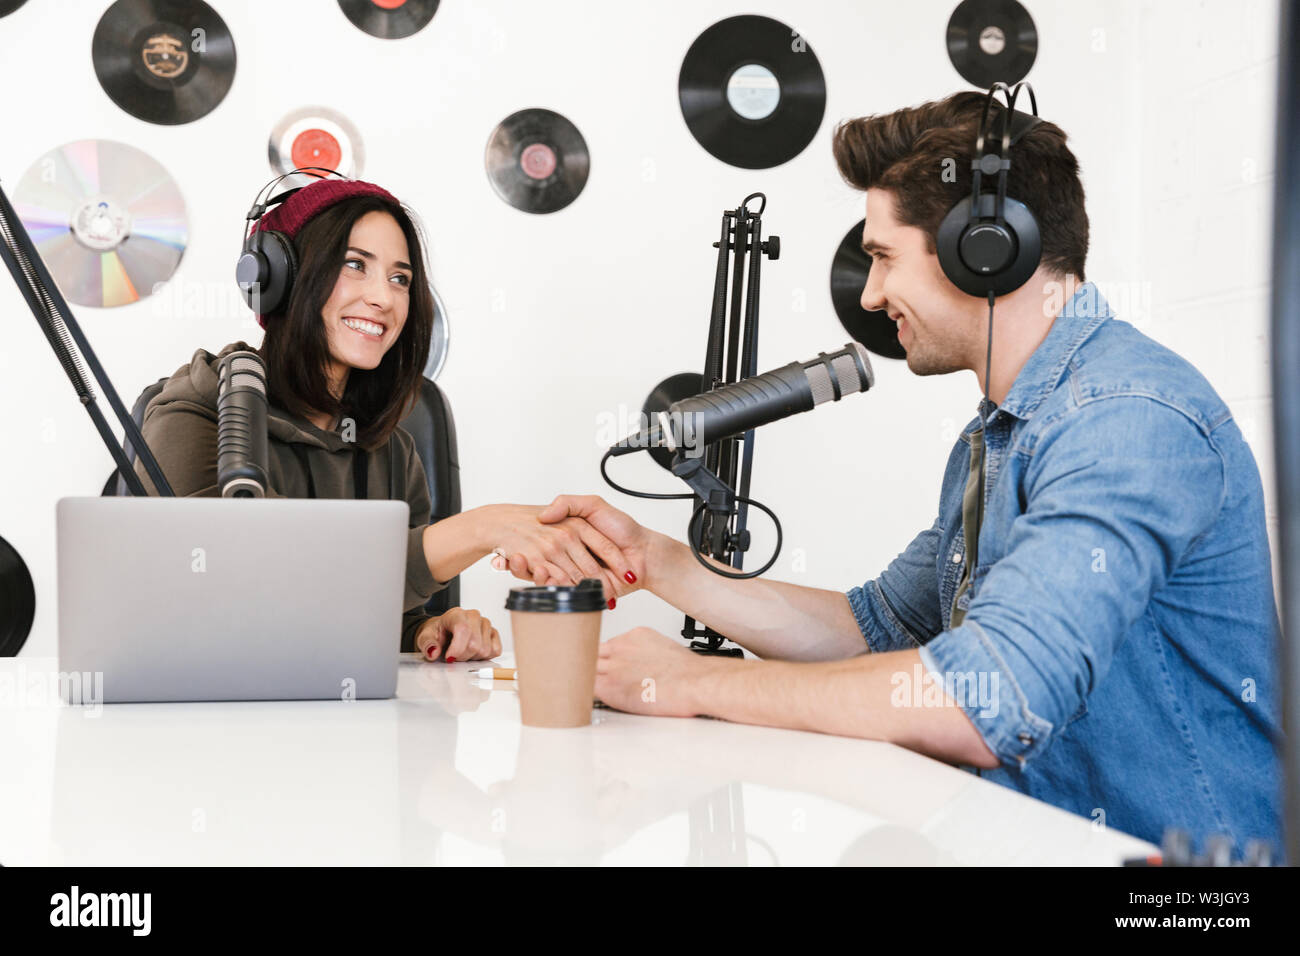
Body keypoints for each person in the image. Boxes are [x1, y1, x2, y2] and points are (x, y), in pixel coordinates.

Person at [526, 92, 1283, 856]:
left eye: (884, 256)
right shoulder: (1003, 431)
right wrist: (662, 564)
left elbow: (987, 696)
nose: (871, 292)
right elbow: (873, 631)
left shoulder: (1125, 420)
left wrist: (691, 685)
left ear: (986, 248)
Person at [134, 176, 633, 663]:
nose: (385, 298)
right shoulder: (196, 414)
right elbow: (243, 591)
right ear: (277, 278)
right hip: (208, 730)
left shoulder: (393, 451)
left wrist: (424, 631)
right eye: (355, 265)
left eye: (400, 278)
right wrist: (483, 527)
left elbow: (359, 612)